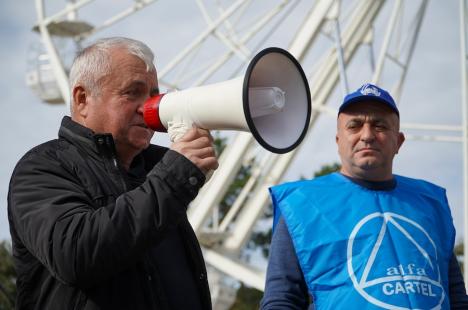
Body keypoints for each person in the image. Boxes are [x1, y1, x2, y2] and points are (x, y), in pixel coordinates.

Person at [8, 37, 219, 309]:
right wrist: (173, 177)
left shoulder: (157, 169)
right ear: (82, 99)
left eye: (153, 95)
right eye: (132, 92)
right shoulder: (41, 168)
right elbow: (74, 255)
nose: (148, 107)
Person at [261, 83, 468, 309]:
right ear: (339, 141)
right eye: (354, 125)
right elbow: (282, 300)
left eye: (379, 126)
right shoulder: (301, 205)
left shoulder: (431, 204)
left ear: (398, 142)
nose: (367, 136)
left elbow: (456, 296)